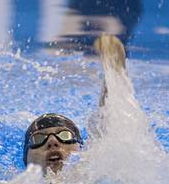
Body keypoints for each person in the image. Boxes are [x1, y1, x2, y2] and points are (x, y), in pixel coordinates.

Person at [23, 33, 127, 174]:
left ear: (81, 150)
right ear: (26, 159)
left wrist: (113, 74)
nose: (52, 141)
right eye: (38, 138)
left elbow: (106, 132)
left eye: (65, 135)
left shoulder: (94, 179)